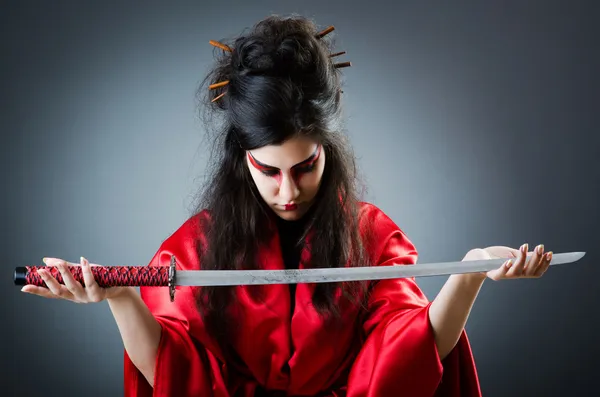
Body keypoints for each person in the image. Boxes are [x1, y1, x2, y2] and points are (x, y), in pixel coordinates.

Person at [21, 15, 553, 397]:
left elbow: (404, 358)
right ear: (241, 158)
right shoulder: (192, 247)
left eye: (305, 166)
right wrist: (120, 298)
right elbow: (177, 372)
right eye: (268, 171)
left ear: (328, 150)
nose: (288, 191)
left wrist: (469, 274)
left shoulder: (371, 235)